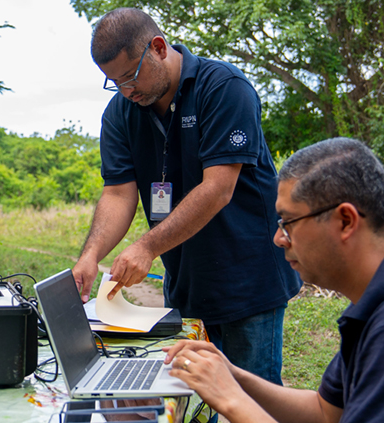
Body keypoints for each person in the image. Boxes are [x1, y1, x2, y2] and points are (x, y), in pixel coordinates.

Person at [73, 7, 300, 384]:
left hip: (249, 280)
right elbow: (117, 193)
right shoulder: (121, 113)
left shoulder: (223, 87)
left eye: (130, 76)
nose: (127, 91)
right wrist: (90, 255)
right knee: (195, 397)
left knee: (250, 398)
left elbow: (217, 188)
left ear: (159, 48)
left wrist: (146, 247)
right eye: (114, 82)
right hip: (187, 284)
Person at [164, 137, 384, 422]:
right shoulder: (366, 312)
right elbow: (326, 412)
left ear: (345, 221)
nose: (279, 238)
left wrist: (230, 399)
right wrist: (233, 376)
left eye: (288, 222)